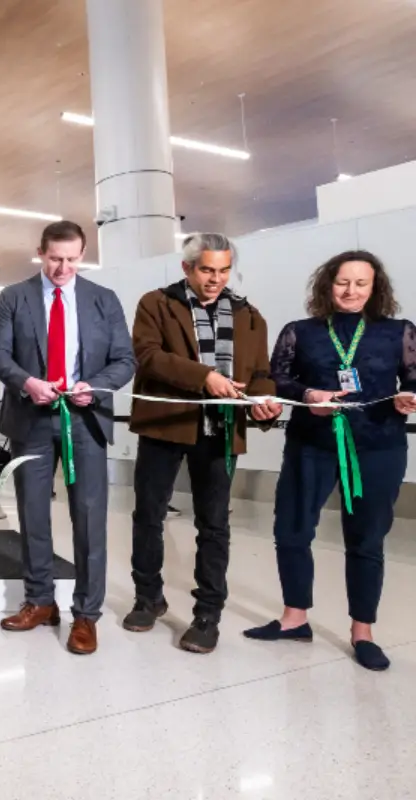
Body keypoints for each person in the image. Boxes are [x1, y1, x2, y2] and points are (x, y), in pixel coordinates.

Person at [245, 251, 416, 671]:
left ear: (375, 288)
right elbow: (279, 378)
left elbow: (414, 377)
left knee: (366, 539)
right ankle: (294, 619)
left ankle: (363, 632)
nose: (351, 291)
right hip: (312, 444)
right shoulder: (300, 331)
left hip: (378, 446)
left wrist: (409, 396)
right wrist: (308, 395)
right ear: (327, 284)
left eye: (361, 283)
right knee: (291, 529)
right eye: (343, 282)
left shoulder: (399, 331)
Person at [126, 232, 282, 653]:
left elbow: (260, 373)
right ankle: (148, 597)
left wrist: (264, 403)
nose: (216, 279)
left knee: (214, 525)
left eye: (224, 270)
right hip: (164, 426)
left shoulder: (250, 316)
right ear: (187, 268)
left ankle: (208, 613)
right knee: (149, 515)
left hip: (220, 431)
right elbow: (148, 356)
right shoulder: (156, 304)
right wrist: (204, 377)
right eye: (207, 270)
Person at [0, 220, 136, 655]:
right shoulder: (14, 297)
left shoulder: (103, 300)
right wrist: (27, 382)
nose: (63, 268)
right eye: (55, 259)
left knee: (89, 518)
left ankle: (86, 614)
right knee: (33, 514)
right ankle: (40, 601)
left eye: (71, 259)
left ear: (82, 255)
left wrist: (96, 386)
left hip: (85, 420)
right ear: (40, 253)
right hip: (31, 419)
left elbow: (124, 360)